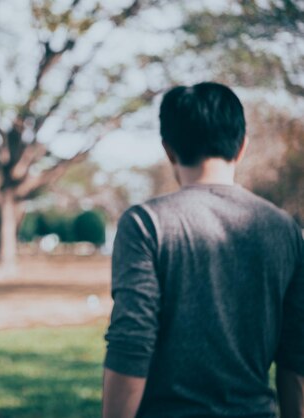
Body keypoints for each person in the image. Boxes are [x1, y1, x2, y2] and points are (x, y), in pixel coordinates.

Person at [102, 82, 304, 418]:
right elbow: (297, 356)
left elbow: (132, 341)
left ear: (168, 149)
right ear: (241, 146)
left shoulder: (146, 224)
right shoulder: (286, 231)